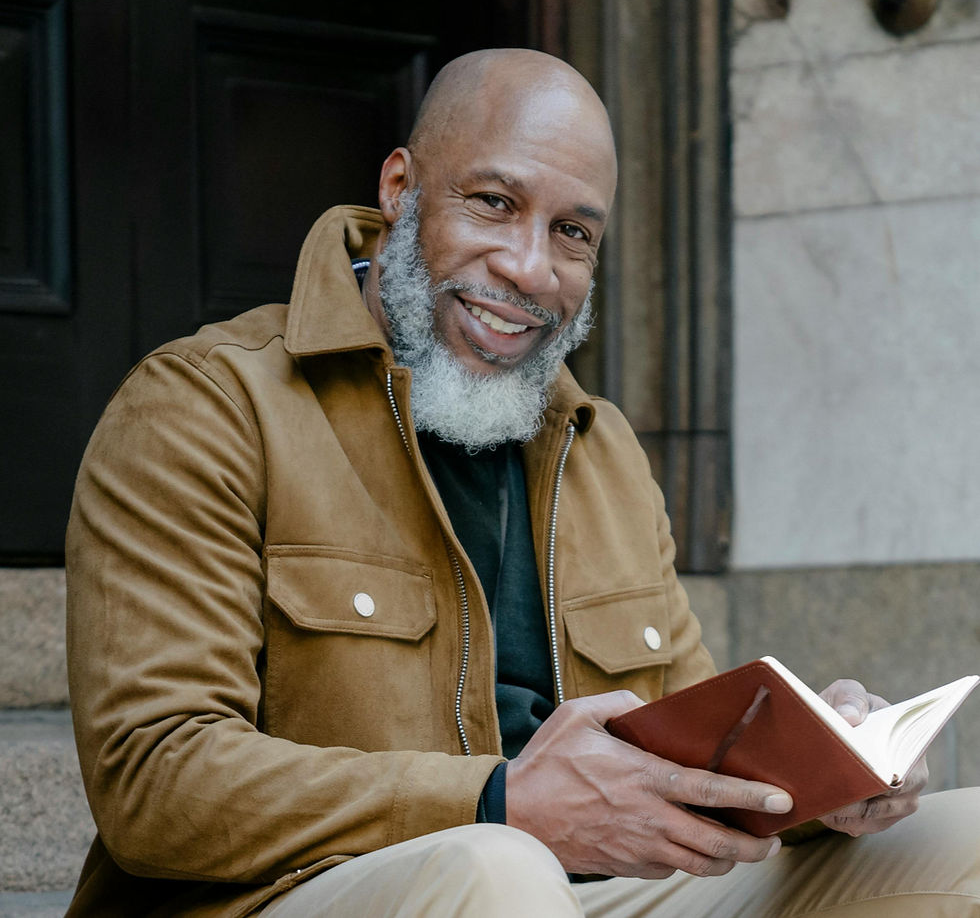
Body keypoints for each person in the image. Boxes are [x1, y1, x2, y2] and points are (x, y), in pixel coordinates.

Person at [65, 48, 979, 917]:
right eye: (495, 203)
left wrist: (826, 775)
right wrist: (498, 801)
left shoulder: (602, 448)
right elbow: (155, 781)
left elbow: (702, 757)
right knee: (497, 871)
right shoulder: (206, 406)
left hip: (585, 893)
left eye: (572, 232)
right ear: (400, 190)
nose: (530, 269)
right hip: (290, 895)